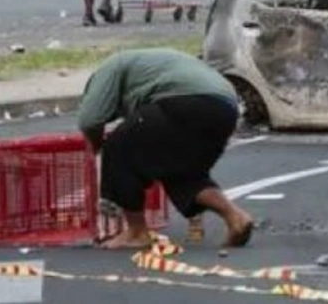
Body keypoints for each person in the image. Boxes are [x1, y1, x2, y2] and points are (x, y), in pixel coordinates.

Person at [78, 48, 253, 250]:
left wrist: (98, 148)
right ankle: (236, 217)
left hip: (188, 99)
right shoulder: (144, 69)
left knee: (118, 149)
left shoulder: (108, 70)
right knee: (182, 174)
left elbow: (90, 120)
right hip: (226, 109)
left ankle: (136, 233)